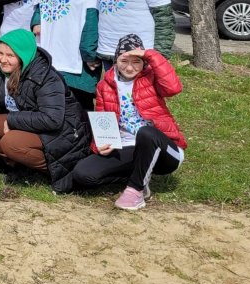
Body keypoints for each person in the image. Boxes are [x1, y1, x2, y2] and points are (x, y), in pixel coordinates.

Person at [69, 34, 186, 210]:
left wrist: (150, 54)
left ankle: (136, 190)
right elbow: (103, 120)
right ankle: (136, 177)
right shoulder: (104, 85)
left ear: (144, 62)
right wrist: (100, 145)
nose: (129, 67)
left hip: (164, 149)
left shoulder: (151, 77)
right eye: (124, 60)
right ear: (116, 60)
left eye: (136, 61)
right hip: (126, 145)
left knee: (145, 133)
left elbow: (173, 87)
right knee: (83, 174)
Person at [0, 29, 90, 192]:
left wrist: (13, 120)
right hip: (29, 122)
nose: (3, 60)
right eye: (0, 53)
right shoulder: (0, 71)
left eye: (10, 55)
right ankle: (18, 165)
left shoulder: (46, 77)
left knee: (11, 143)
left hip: (64, 133)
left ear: (23, 56)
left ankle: (51, 169)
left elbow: (52, 119)